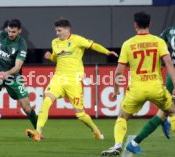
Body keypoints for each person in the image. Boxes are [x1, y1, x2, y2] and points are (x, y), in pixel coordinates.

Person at [26, 19, 118, 142]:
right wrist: (51, 57)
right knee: (46, 100)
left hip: (73, 81)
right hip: (58, 79)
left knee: (80, 115)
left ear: (67, 29)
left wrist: (107, 52)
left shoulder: (78, 40)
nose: (57, 33)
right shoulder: (55, 42)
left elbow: (93, 45)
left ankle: (95, 131)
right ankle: (38, 131)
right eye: (56, 31)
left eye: (59, 31)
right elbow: (58, 58)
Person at [101, 11, 175, 156]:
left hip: (136, 90)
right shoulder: (158, 42)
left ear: (135, 25)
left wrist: (116, 90)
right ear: (150, 24)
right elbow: (169, 65)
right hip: (156, 88)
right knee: (172, 111)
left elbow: (118, 72)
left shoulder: (128, 44)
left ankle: (117, 145)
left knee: (122, 117)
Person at [124, 26, 175, 154]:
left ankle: (135, 142)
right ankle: (167, 119)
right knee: (167, 112)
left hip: (171, 73)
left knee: (164, 113)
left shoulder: (170, 30)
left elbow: (157, 42)